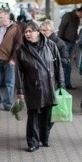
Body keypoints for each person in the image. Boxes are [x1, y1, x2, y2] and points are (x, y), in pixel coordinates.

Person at [15, 21, 65, 151]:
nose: (27, 34)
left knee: (46, 115)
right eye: (25, 32)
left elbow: (58, 66)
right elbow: (18, 72)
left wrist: (61, 85)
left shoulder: (51, 45)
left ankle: (45, 138)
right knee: (33, 115)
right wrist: (19, 90)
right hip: (32, 86)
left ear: (37, 31)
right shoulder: (21, 50)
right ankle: (32, 142)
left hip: (49, 86)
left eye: (30, 31)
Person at [0, 9, 22, 110]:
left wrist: (13, 58)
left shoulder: (16, 29)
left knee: (9, 83)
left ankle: (7, 104)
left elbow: (18, 45)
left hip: (9, 60)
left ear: (8, 18)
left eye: (1, 18)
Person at [57, 6, 82, 89]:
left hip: (72, 42)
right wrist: (59, 42)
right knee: (64, 63)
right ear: (80, 12)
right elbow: (61, 28)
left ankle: (67, 84)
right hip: (65, 42)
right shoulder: (68, 16)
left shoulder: (77, 18)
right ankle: (61, 85)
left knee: (69, 64)